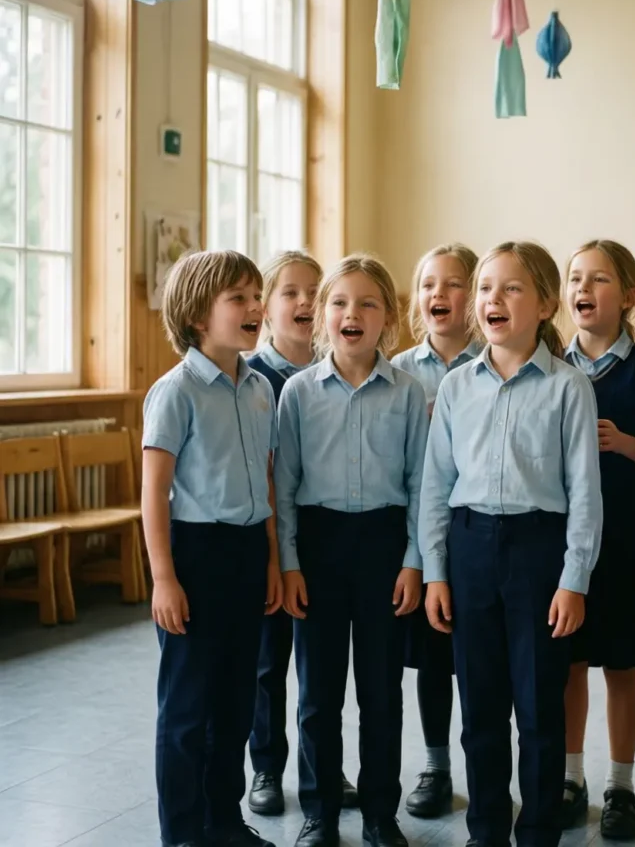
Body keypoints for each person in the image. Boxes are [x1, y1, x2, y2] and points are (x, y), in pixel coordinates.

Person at [419, 240, 603, 847]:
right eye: (485, 289)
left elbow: (584, 493)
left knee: (539, 708)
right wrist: (435, 572)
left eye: (511, 288)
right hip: (471, 550)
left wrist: (574, 579)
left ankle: (540, 831)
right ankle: (486, 831)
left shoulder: (568, 387)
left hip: (539, 552)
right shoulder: (455, 387)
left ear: (546, 304)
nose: (492, 299)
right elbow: (436, 485)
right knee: (481, 709)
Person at [276, 255, 429, 847]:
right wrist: (288, 563)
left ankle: (379, 814)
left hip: (385, 548)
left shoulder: (408, 393)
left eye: (367, 303)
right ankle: (319, 812)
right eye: (340, 302)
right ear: (322, 316)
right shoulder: (297, 394)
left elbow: (422, 485)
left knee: (381, 691)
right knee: (317, 694)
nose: (352, 313)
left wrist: (415, 561)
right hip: (317, 548)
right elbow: (285, 487)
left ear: (387, 316)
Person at [142, 249, 283, 847]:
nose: (255, 308)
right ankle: (182, 833)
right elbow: (153, 492)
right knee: (186, 711)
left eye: (257, 296)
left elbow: (270, 481)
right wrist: (164, 578)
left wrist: (273, 560)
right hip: (196, 557)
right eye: (239, 299)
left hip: (249, 553)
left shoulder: (259, 388)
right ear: (199, 315)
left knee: (234, 703)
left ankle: (223, 822)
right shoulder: (175, 392)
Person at [560, 240, 635, 839]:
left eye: (598, 279)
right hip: (568, 550)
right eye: (575, 277)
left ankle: (620, 785)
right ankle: (571, 778)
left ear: (627, 295)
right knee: (569, 663)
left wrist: (627, 444)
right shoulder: (551, 363)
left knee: (620, 665)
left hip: (627, 544)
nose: (583, 288)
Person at [245, 251, 360, 818]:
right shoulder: (250, 377)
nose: (305, 302)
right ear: (265, 306)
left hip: (321, 541)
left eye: (316, 291)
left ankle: (324, 767)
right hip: (265, 541)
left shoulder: (335, 370)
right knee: (269, 663)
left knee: (322, 671)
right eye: (290, 291)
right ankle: (266, 765)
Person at [390, 242, 481, 819]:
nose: (438, 295)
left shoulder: (492, 363)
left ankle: (488, 770)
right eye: (427, 284)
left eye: (452, 284)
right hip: (418, 539)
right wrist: (417, 554)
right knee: (430, 660)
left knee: (481, 663)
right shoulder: (397, 372)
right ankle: (434, 765)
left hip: (477, 537)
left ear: (475, 297)